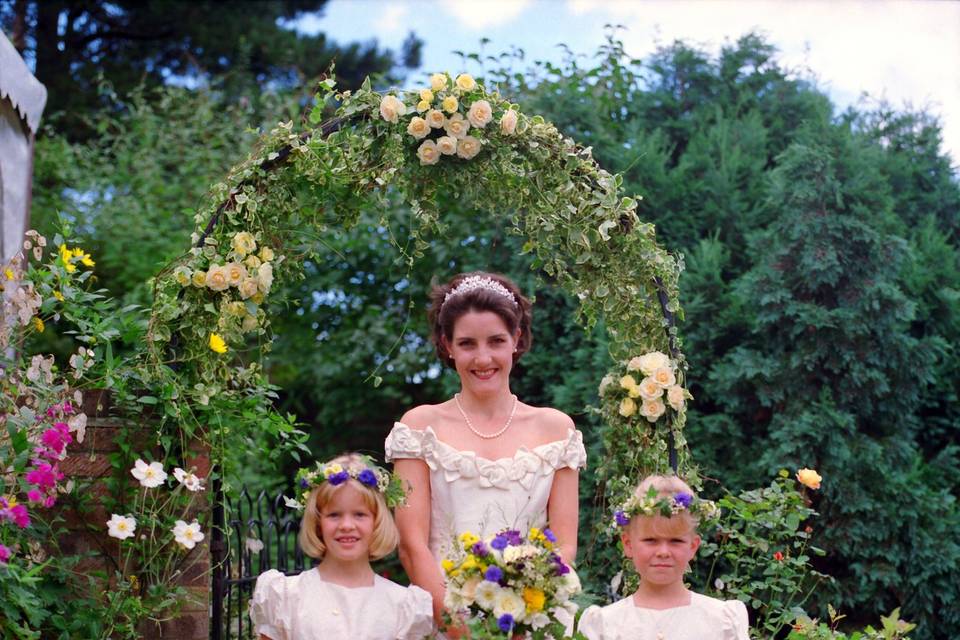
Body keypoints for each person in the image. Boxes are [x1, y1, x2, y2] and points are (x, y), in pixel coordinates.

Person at [384, 272, 587, 623]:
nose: (482, 358)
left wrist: (527, 615)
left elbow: (564, 546)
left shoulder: (556, 429)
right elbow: (412, 546)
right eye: (467, 344)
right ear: (447, 344)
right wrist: (455, 622)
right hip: (443, 619)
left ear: (516, 339)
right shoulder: (419, 428)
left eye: (495, 341)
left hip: (531, 620)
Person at [249, 453, 434, 640]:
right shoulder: (287, 596)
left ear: (377, 522)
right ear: (318, 522)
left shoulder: (401, 605)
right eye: (334, 515)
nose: (346, 525)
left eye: (359, 514)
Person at [578, 475, 749, 640]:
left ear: (693, 546)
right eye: (650, 540)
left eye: (675, 541)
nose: (663, 552)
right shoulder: (605, 625)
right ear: (628, 544)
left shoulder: (720, 621)